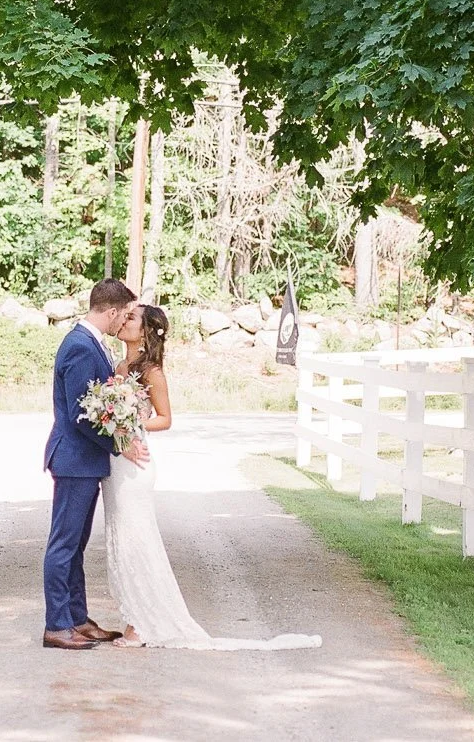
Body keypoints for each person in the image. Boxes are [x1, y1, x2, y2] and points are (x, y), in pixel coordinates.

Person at [102, 302, 321, 651]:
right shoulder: (119, 366)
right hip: (117, 465)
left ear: (144, 332)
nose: (124, 321)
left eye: (131, 318)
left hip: (137, 464)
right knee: (121, 539)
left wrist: (130, 422)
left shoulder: (152, 371)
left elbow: (165, 418)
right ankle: (134, 618)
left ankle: (144, 625)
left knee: (139, 539)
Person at [40, 278, 146, 650]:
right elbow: (82, 415)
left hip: (83, 461)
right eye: (126, 315)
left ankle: (77, 618)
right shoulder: (81, 347)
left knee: (77, 544)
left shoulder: (89, 343)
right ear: (113, 312)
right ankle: (56, 625)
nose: (125, 323)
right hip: (74, 460)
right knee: (64, 544)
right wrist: (121, 445)